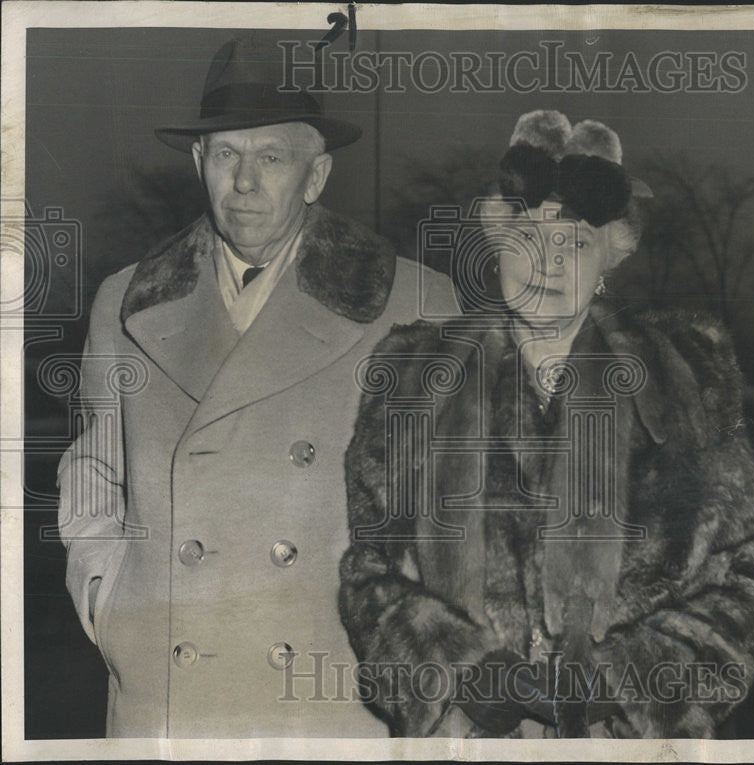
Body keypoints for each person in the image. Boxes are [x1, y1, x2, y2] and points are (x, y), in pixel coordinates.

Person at [339, 110, 754, 738]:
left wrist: (633, 682)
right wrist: (453, 670)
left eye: (573, 242)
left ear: (607, 259)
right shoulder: (413, 376)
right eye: (527, 238)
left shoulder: (684, 376)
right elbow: (370, 571)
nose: (547, 262)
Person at [56, 35, 456, 738]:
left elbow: (463, 514)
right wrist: (106, 592)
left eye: (271, 157)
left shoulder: (417, 304)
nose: (244, 183)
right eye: (226, 155)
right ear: (197, 162)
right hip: (167, 699)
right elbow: (94, 468)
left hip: (335, 702)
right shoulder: (128, 301)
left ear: (317, 174)